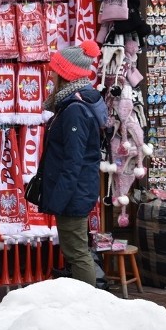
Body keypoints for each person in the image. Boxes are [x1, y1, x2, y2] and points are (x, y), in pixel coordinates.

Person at [38, 39, 107, 286]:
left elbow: (73, 160)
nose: (51, 79)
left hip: (73, 194)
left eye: (55, 73)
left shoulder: (74, 110)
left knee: (77, 253)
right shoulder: (70, 105)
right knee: (74, 251)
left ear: (65, 75)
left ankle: (88, 305)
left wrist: (59, 199)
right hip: (74, 192)